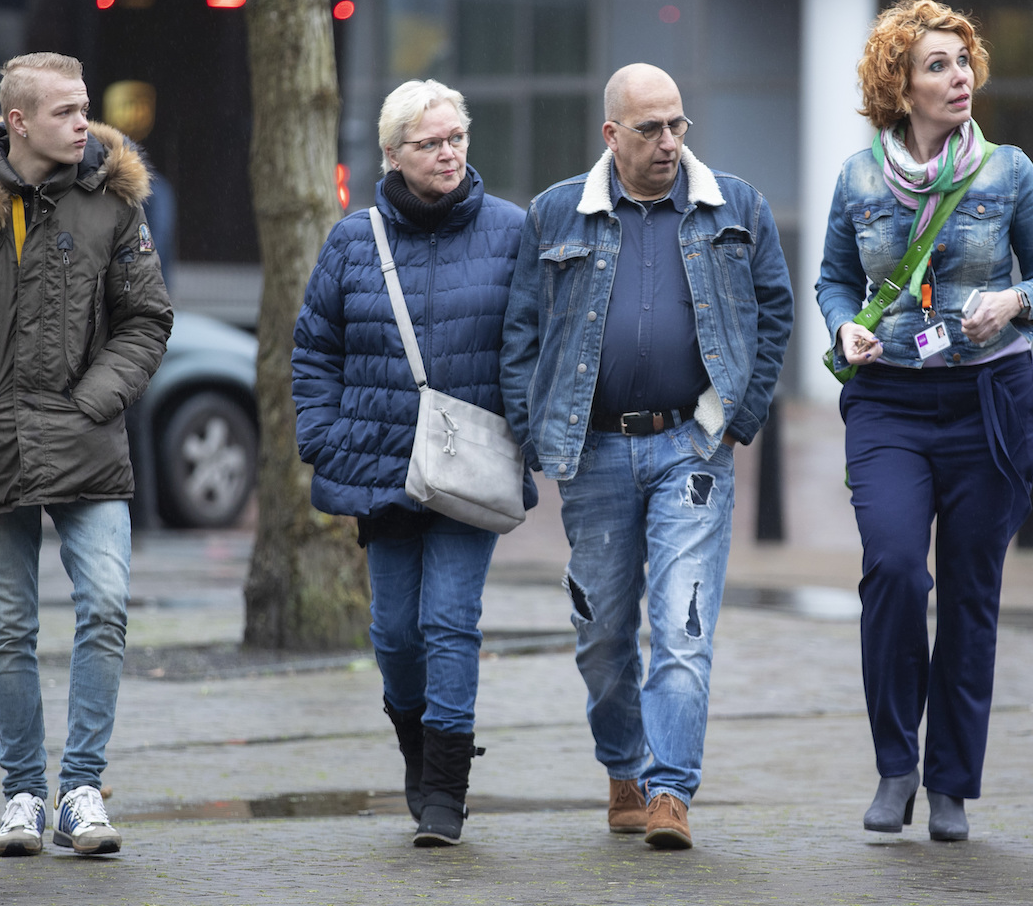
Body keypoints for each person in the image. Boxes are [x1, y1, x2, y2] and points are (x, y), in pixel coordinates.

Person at [500, 63, 792, 849]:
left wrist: (740, 413)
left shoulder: (737, 207)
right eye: (650, 129)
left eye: (678, 125)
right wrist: (535, 432)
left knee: (682, 625)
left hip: (690, 448)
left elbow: (774, 313)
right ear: (611, 135)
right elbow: (521, 332)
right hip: (593, 451)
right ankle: (623, 768)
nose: (668, 142)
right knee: (601, 637)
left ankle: (670, 790)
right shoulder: (557, 213)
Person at [0, 52, 174, 856]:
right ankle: (22, 795)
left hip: (88, 442)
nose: (85, 122)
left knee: (107, 605)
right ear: (18, 122)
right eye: (65, 111)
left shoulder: (112, 200)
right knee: (10, 627)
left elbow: (146, 318)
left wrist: (94, 401)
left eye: (86, 107)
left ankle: (81, 790)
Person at [816, 0, 1033, 841]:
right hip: (888, 399)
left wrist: (1012, 300)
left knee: (970, 593)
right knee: (893, 569)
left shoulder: (1008, 171)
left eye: (963, 62)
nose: (958, 77)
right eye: (937, 65)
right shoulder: (858, 179)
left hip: (988, 403)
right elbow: (831, 280)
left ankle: (951, 783)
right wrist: (843, 325)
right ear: (901, 85)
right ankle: (896, 766)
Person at [292, 79, 532, 847]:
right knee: (395, 634)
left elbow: (535, 345)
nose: (449, 152)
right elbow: (314, 349)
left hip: (473, 472)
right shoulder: (352, 242)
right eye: (430, 142)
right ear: (393, 154)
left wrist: (528, 429)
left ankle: (445, 794)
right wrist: (327, 438)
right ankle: (416, 749)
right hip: (379, 468)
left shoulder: (510, 231)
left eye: (457, 136)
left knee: (448, 622)